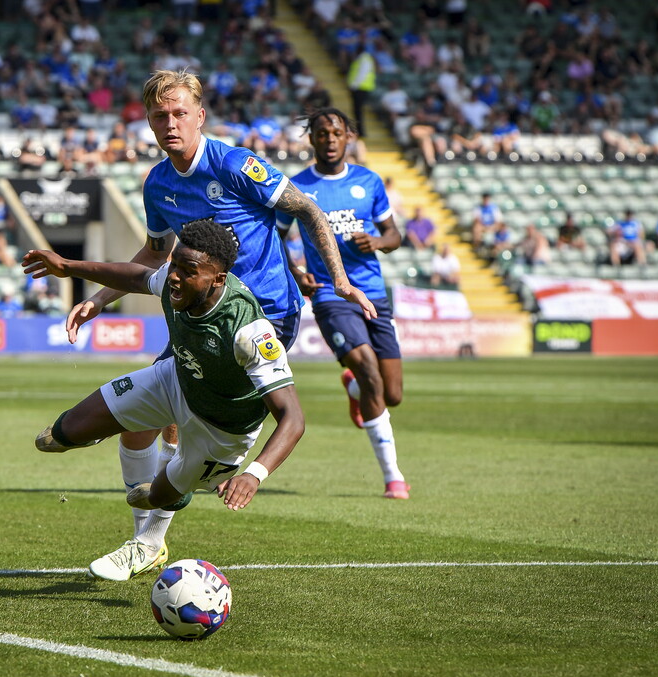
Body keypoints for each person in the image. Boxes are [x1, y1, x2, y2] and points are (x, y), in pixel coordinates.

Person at [62, 69, 374, 580]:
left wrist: (337, 280)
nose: (170, 123)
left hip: (263, 315)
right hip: (200, 316)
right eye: (160, 115)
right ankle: (150, 536)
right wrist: (100, 299)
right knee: (141, 421)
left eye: (180, 112)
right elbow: (155, 253)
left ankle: (180, 501)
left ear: (200, 115)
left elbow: (307, 208)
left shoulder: (233, 164)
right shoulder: (159, 182)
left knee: (192, 428)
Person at [23, 218, 305, 579]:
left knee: (156, 496)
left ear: (217, 279)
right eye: (175, 265)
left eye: (188, 271)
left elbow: (293, 418)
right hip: (175, 379)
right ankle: (111, 436)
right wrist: (67, 266)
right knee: (61, 434)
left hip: (220, 431)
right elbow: (135, 276)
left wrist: (254, 475)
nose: (174, 277)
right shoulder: (174, 283)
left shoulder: (249, 330)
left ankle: (149, 537)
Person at [277, 108, 409, 500]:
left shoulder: (368, 182)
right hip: (331, 295)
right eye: (322, 133)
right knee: (368, 368)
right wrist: (298, 272)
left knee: (392, 394)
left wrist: (379, 243)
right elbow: (277, 236)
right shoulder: (297, 186)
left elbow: (393, 234)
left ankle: (355, 389)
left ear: (348, 136)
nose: (330, 139)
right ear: (312, 139)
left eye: (336, 132)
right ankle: (393, 477)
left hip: (374, 293)